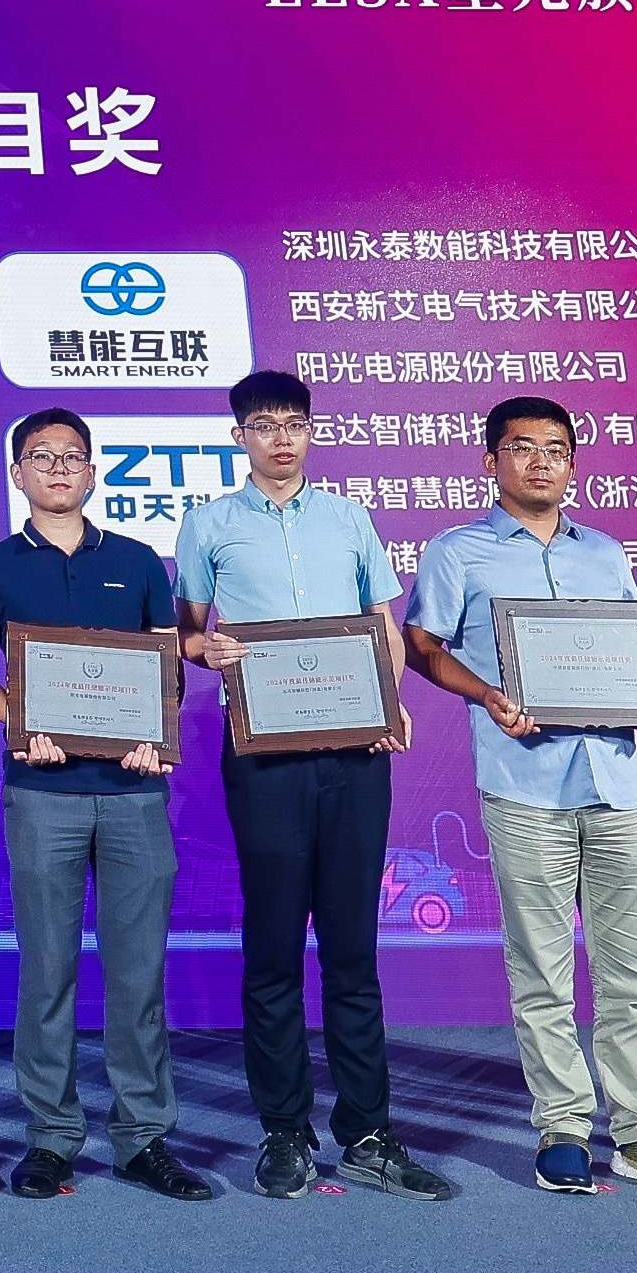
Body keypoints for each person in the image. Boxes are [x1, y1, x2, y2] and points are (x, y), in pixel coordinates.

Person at [407, 395, 637, 1197]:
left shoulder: (607, 552)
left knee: (633, 969)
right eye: (522, 446)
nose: (540, 460)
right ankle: (563, 1126)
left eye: (555, 447)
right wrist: (487, 694)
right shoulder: (458, 550)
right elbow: (422, 645)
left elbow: (635, 652)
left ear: (574, 463)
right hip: (523, 782)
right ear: (491, 461)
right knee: (542, 967)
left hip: (618, 778)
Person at [172, 371, 447, 1202]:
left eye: (294, 422)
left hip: (355, 750)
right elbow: (187, 634)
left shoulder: (349, 517)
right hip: (262, 752)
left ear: (312, 431)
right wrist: (207, 649)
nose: (282, 438)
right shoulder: (209, 523)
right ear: (240, 437)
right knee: (274, 947)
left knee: (354, 950)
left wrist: (390, 702)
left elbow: (383, 625)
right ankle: (285, 1129)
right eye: (264, 424)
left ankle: (367, 1131)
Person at [0, 406, 205, 1203]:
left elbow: (167, 671)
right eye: (42, 455)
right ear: (17, 473)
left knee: (138, 975)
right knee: (48, 972)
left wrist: (154, 734)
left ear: (93, 472)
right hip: (42, 793)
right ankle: (52, 1136)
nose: (58, 467)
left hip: (135, 791)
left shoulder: (137, 561)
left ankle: (143, 1137)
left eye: (72, 455)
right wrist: (19, 728)